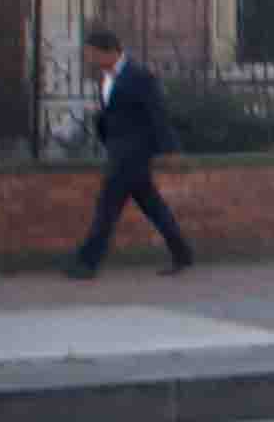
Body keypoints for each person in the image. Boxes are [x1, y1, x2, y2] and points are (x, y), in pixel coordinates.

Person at [65, 27, 194, 280]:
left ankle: (87, 263)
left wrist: (171, 149)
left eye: (92, 53)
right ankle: (182, 253)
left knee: (107, 209)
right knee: (152, 207)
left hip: (132, 154)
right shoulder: (106, 77)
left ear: (110, 52)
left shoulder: (139, 76)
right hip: (118, 151)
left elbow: (157, 113)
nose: (89, 59)